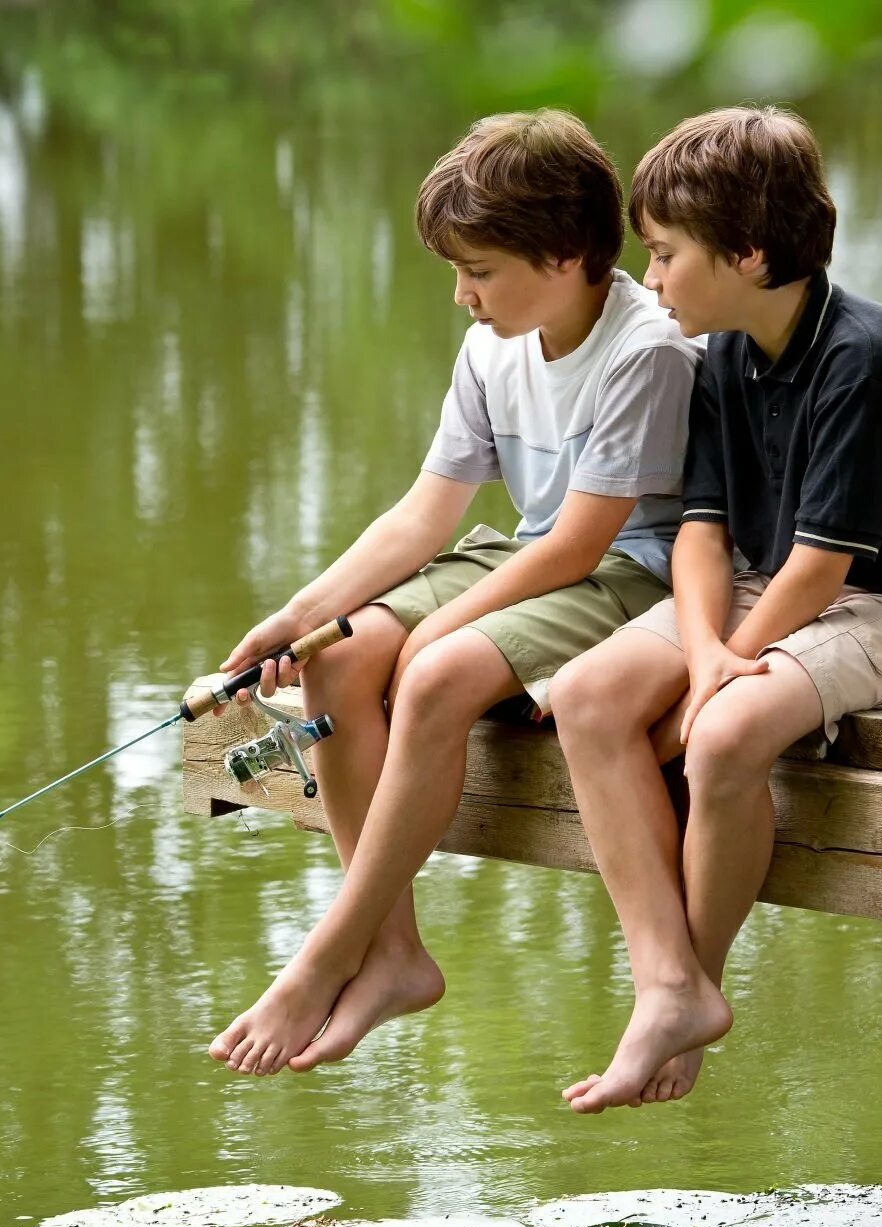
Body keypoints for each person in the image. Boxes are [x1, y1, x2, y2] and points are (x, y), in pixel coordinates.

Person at [209, 109, 700, 1076]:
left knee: (434, 677)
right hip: (533, 553)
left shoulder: (646, 352)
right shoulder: (493, 345)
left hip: (633, 574)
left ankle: (324, 956)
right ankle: (392, 950)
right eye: (456, 271)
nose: (462, 295)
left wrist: (439, 637)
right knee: (343, 659)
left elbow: (580, 546)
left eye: (478, 270)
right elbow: (423, 516)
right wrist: (305, 615)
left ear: (564, 256)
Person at [548, 106, 882, 1112]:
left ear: (748, 254)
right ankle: (662, 983)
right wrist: (707, 641)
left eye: (667, 254)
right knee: (586, 696)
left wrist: (721, 666)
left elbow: (821, 567)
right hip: (783, 589)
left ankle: (696, 980)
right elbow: (701, 533)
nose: (654, 277)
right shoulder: (721, 350)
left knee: (721, 737)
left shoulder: (863, 359)